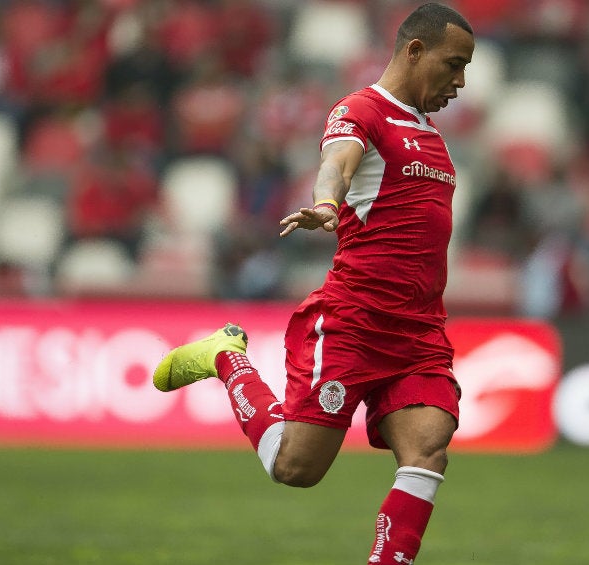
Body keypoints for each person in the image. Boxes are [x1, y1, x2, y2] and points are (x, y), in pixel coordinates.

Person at [151, 4, 474, 563]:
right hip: (355, 323)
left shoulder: (434, 136)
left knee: (428, 450)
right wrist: (327, 200)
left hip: (419, 333)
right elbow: (338, 163)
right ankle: (228, 358)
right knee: (295, 469)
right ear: (415, 51)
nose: (461, 81)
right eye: (453, 64)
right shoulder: (362, 111)